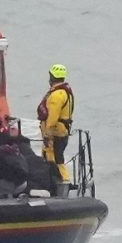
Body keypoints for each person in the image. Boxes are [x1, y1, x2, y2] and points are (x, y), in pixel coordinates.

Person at [38, 63, 75, 192]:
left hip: (56, 132)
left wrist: (47, 134)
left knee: (55, 158)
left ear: (52, 77)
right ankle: (55, 182)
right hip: (61, 130)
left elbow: (52, 117)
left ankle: (64, 183)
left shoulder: (56, 95)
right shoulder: (65, 92)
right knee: (52, 156)